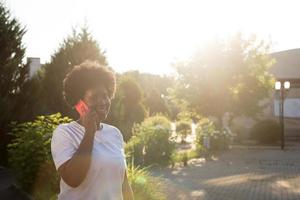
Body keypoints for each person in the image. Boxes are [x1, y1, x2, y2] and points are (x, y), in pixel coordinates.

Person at [51, 60, 134, 200]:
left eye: (105, 95)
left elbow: (123, 183)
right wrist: (89, 132)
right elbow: (73, 179)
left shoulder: (115, 133)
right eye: (94, 97)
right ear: (79, 103)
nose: (102, 101)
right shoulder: (64, 133)